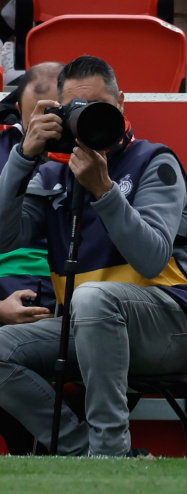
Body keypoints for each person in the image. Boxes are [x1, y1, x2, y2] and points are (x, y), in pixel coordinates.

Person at [0, 55, 187, 457]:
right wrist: (22, 158)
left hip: (169, 326)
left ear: (122, 103)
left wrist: (106, 193)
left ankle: (109, 448)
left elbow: (151, 259)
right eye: (78, 111)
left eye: (101, 108)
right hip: (88, 327)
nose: (90, 119)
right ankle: (86, 453)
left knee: (91, 297)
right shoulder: (52, 176)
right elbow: (5, 238)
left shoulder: (154, 161)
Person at [0, 61, 63, 455]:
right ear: (18, 111)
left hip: (75, 297)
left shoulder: (101, 152)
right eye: (40, 115)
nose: (48, 125)